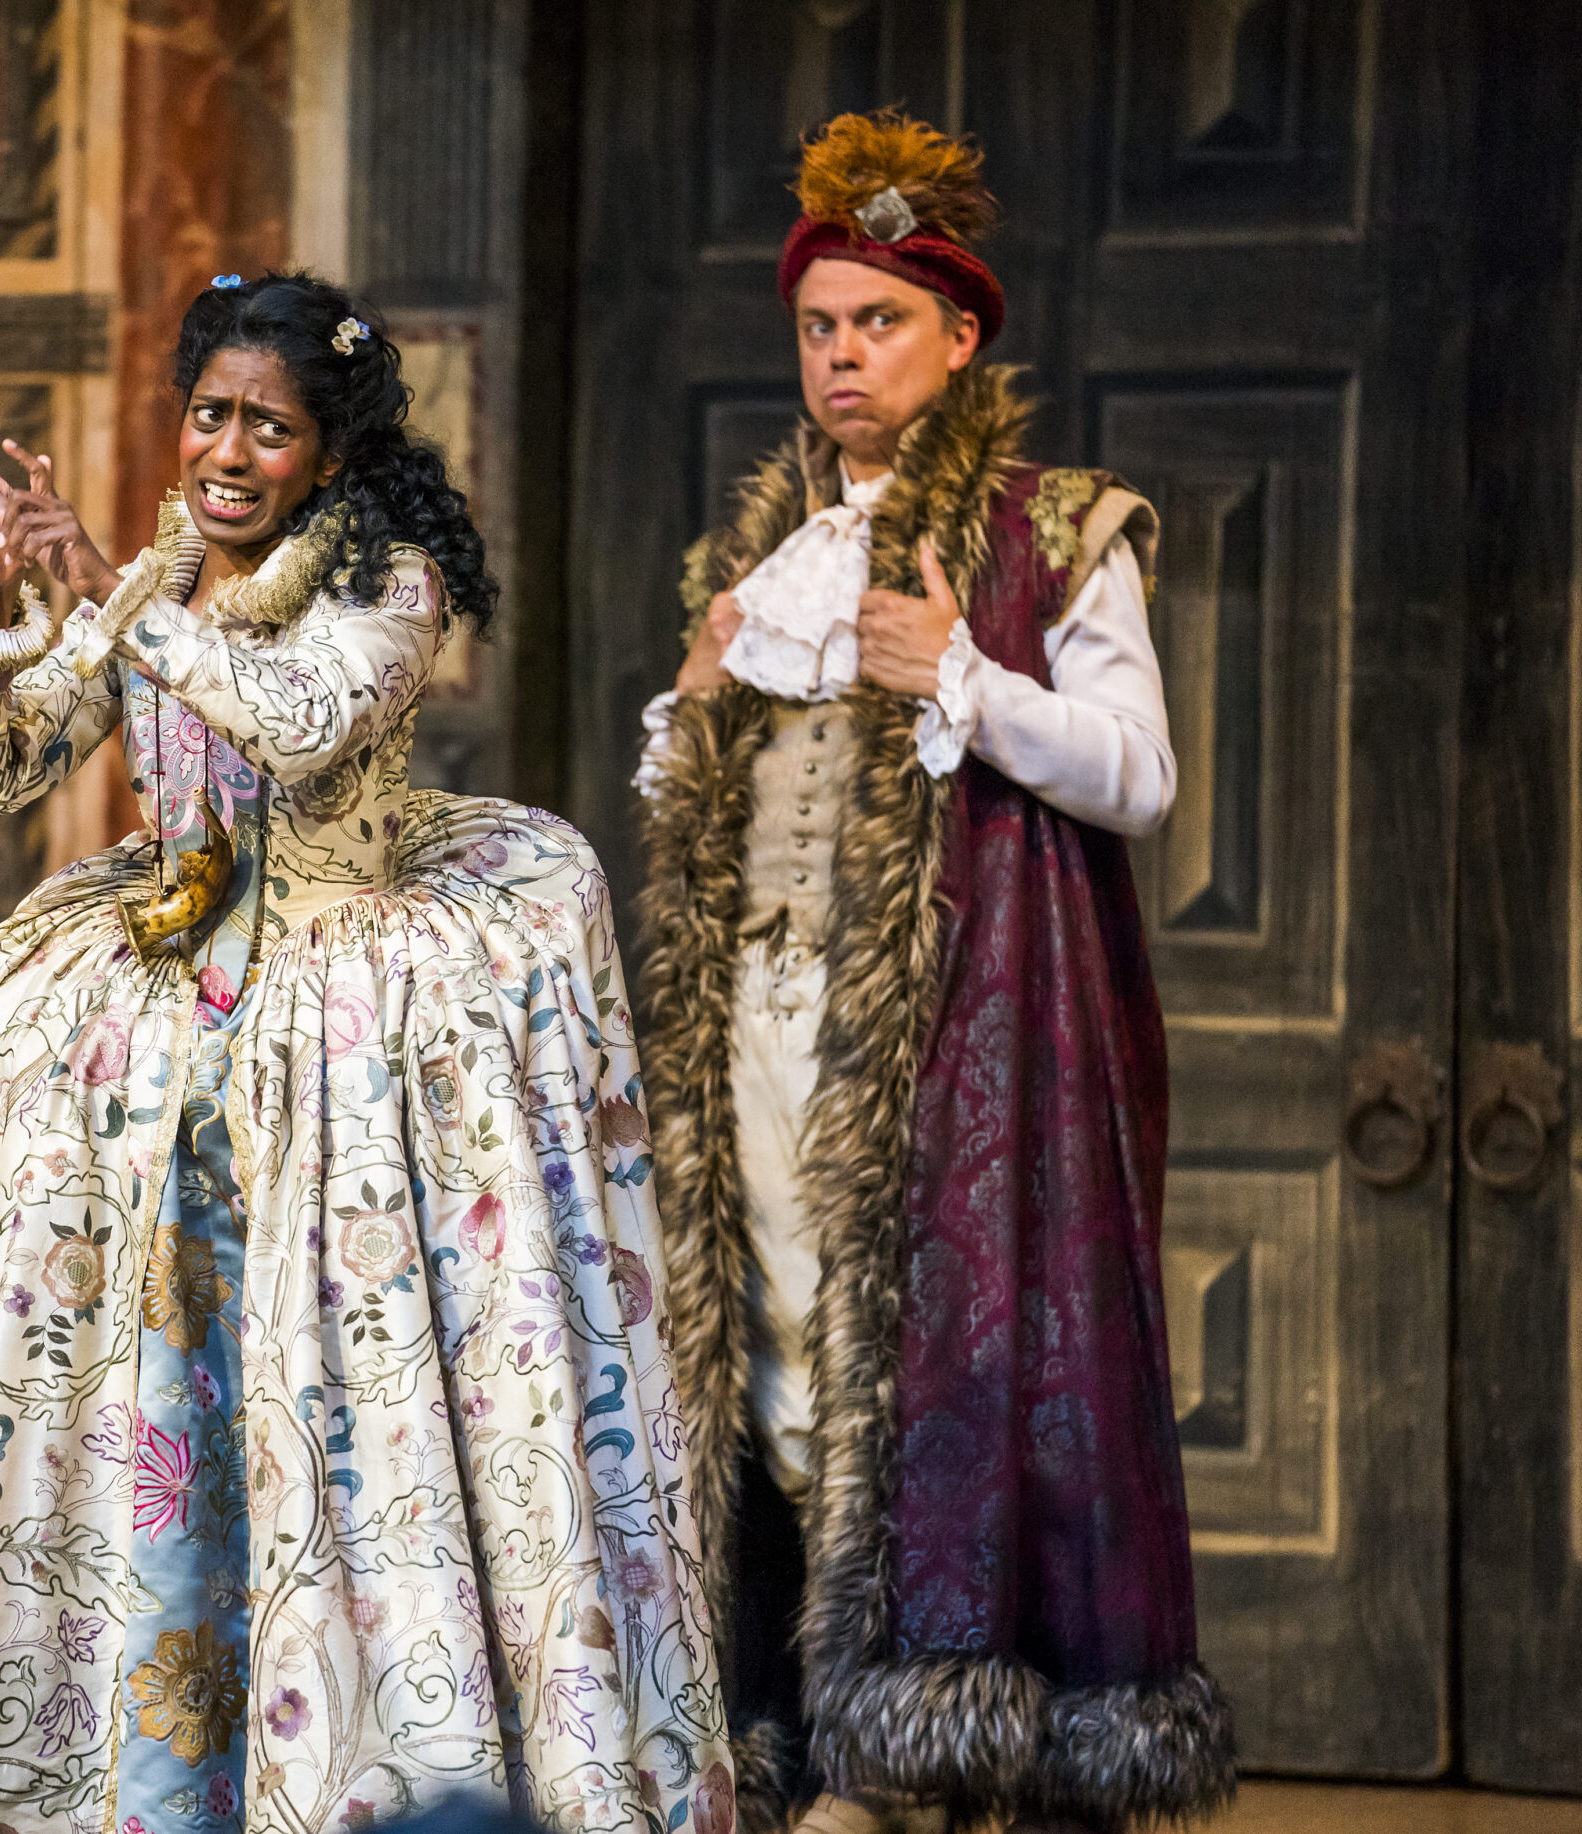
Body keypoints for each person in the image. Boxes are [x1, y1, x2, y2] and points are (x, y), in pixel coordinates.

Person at [0, 274, 736, 1834]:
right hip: (170, 1039)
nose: (230, 450)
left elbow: (295, 716)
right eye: (210, 414)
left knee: (335, 1423)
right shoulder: (166, 568)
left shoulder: (386, 583)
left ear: (329, 450)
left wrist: (117, 588)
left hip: (343, 1037)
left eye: (270, 424)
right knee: (170, 1418)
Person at [634, 112, 1234, 1834]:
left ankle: (917, 1751)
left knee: (938, 1362)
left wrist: (961, 673)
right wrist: (693, 695)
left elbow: (1138, 775)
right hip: (759, 1022)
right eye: (819, 326)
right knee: (768, 1363)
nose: (841, 356)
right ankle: (802, 1727)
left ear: (960, 339)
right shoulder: (756, 562)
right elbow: (698, 808)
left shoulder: (1062, 530)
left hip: (960, 1029)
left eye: (877, 323)